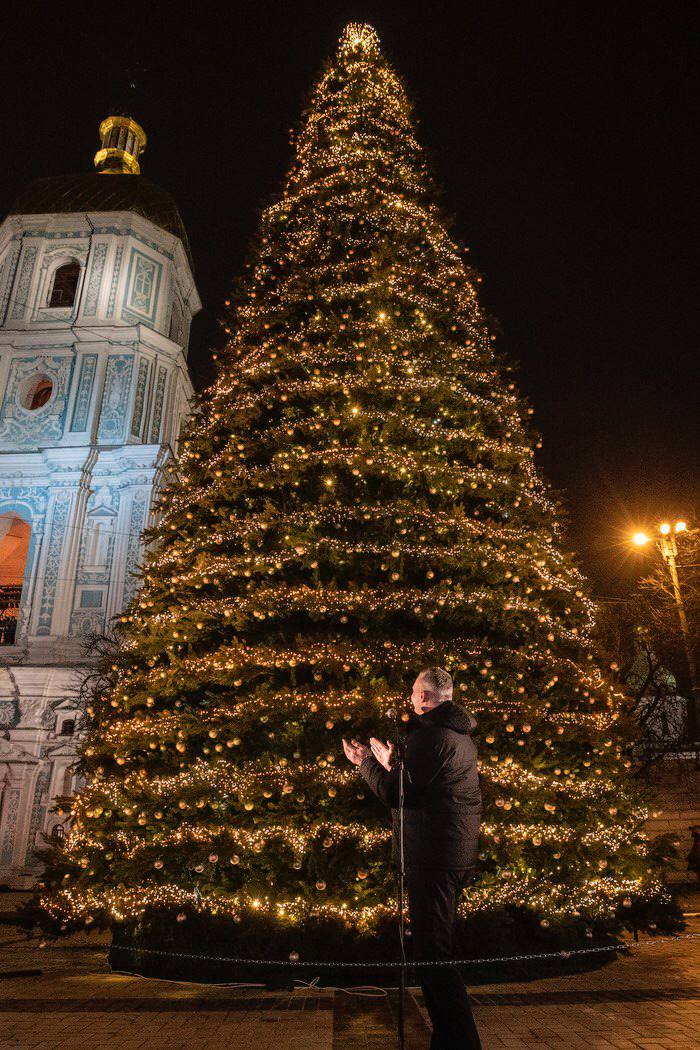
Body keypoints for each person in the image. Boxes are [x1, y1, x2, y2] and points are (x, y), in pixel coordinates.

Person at [343, 667, 482, 1050]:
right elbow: (421, 787)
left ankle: (461, 1042)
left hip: (433, 857)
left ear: (425, 698)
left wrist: (365, 765)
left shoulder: (431, 736)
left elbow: (397, 794)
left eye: (422, 694)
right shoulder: (454, 734)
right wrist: (391, 763)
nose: (418, 700)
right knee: (436, 951)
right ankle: (450, 1040)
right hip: (449, 854)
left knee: (434, 956)